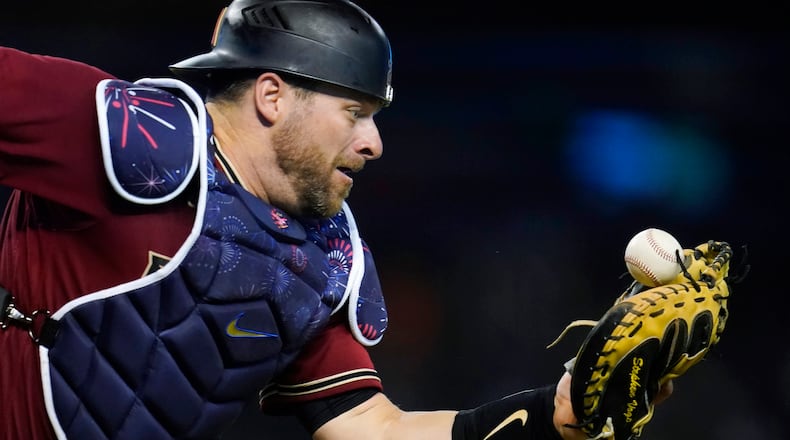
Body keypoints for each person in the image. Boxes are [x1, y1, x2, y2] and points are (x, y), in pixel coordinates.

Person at [0, 1, 671, 439]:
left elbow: (371, 429)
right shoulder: (127, 133)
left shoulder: (321, 258)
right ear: (272, 95)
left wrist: (551, 414)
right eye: (355, 113)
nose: (375, 142)